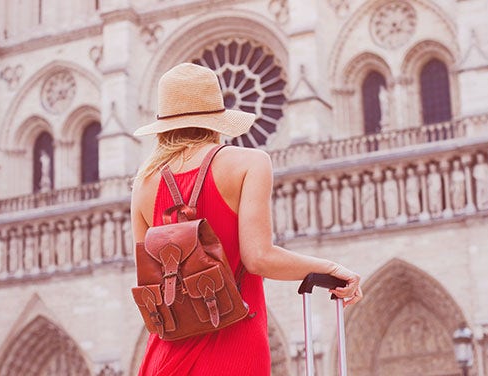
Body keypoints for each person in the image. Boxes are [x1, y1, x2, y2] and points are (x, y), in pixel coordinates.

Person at [129, 63, 363, 375]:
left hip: (165, 354)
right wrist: (330, 268)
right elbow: (259, 258)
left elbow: (152, 279)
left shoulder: (143, 183)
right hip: (234, 345)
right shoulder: (249, 163)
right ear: (217, 118)